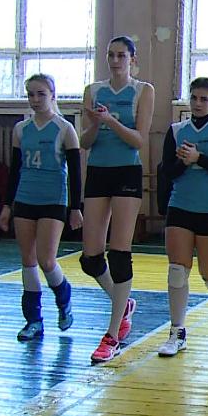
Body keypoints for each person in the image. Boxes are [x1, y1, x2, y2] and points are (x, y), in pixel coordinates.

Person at [78, 36, 155, 364]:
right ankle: (122, 303)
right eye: (110, 55)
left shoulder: (143, 91)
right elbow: (85, 142)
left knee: (120, 253)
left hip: (126, 172)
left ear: (132, 60)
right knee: (90, 258)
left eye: (121, 55)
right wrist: (97, 125)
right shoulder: (93, 91)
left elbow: (138, 140)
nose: (115, 60)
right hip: (98, 171)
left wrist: (111, 121)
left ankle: (112, 335)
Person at [157, 77, 208, 357]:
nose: (197, 103)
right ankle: (177, 331)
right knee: (177, 271)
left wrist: (199, 158)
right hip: (180, 206)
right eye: (193, 97)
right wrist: (183, 162)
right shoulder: (176, 130)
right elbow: (167, 171)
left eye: (204, 99)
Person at [0, 74, 83, 341]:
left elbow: (75, 173)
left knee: (47, 260)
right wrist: (7, 205)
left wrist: (75, 207)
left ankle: (64, 297)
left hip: (53, 200)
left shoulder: (64, 129)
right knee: (28, 259)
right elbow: (15, 170)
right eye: (30, 94)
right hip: (25, 198)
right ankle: (33, 320)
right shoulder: (21, 129)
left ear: (52, 95)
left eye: (41, 94)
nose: (35, 100)